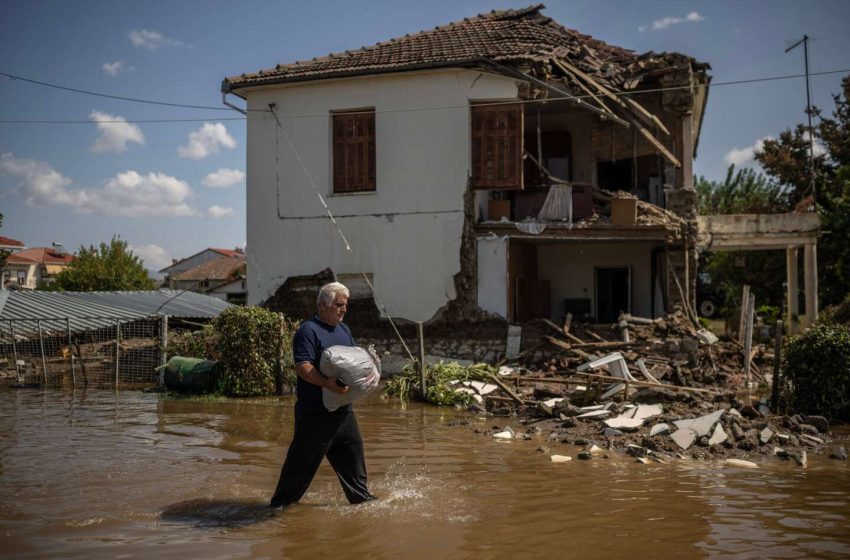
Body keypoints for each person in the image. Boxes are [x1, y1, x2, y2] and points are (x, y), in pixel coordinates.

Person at [270, 281, 376, 508]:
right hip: (315, 414)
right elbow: (303, 367)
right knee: (299, 469)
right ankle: (278, 511)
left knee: (354, 461)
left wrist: (369, 374)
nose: (344, 309)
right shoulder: (308, 330)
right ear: (323, 304)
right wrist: (327, 384)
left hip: (343, 413)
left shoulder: (344, 330)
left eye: (346, 305)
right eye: (339, 304)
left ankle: (362, 502)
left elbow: (356, 361)